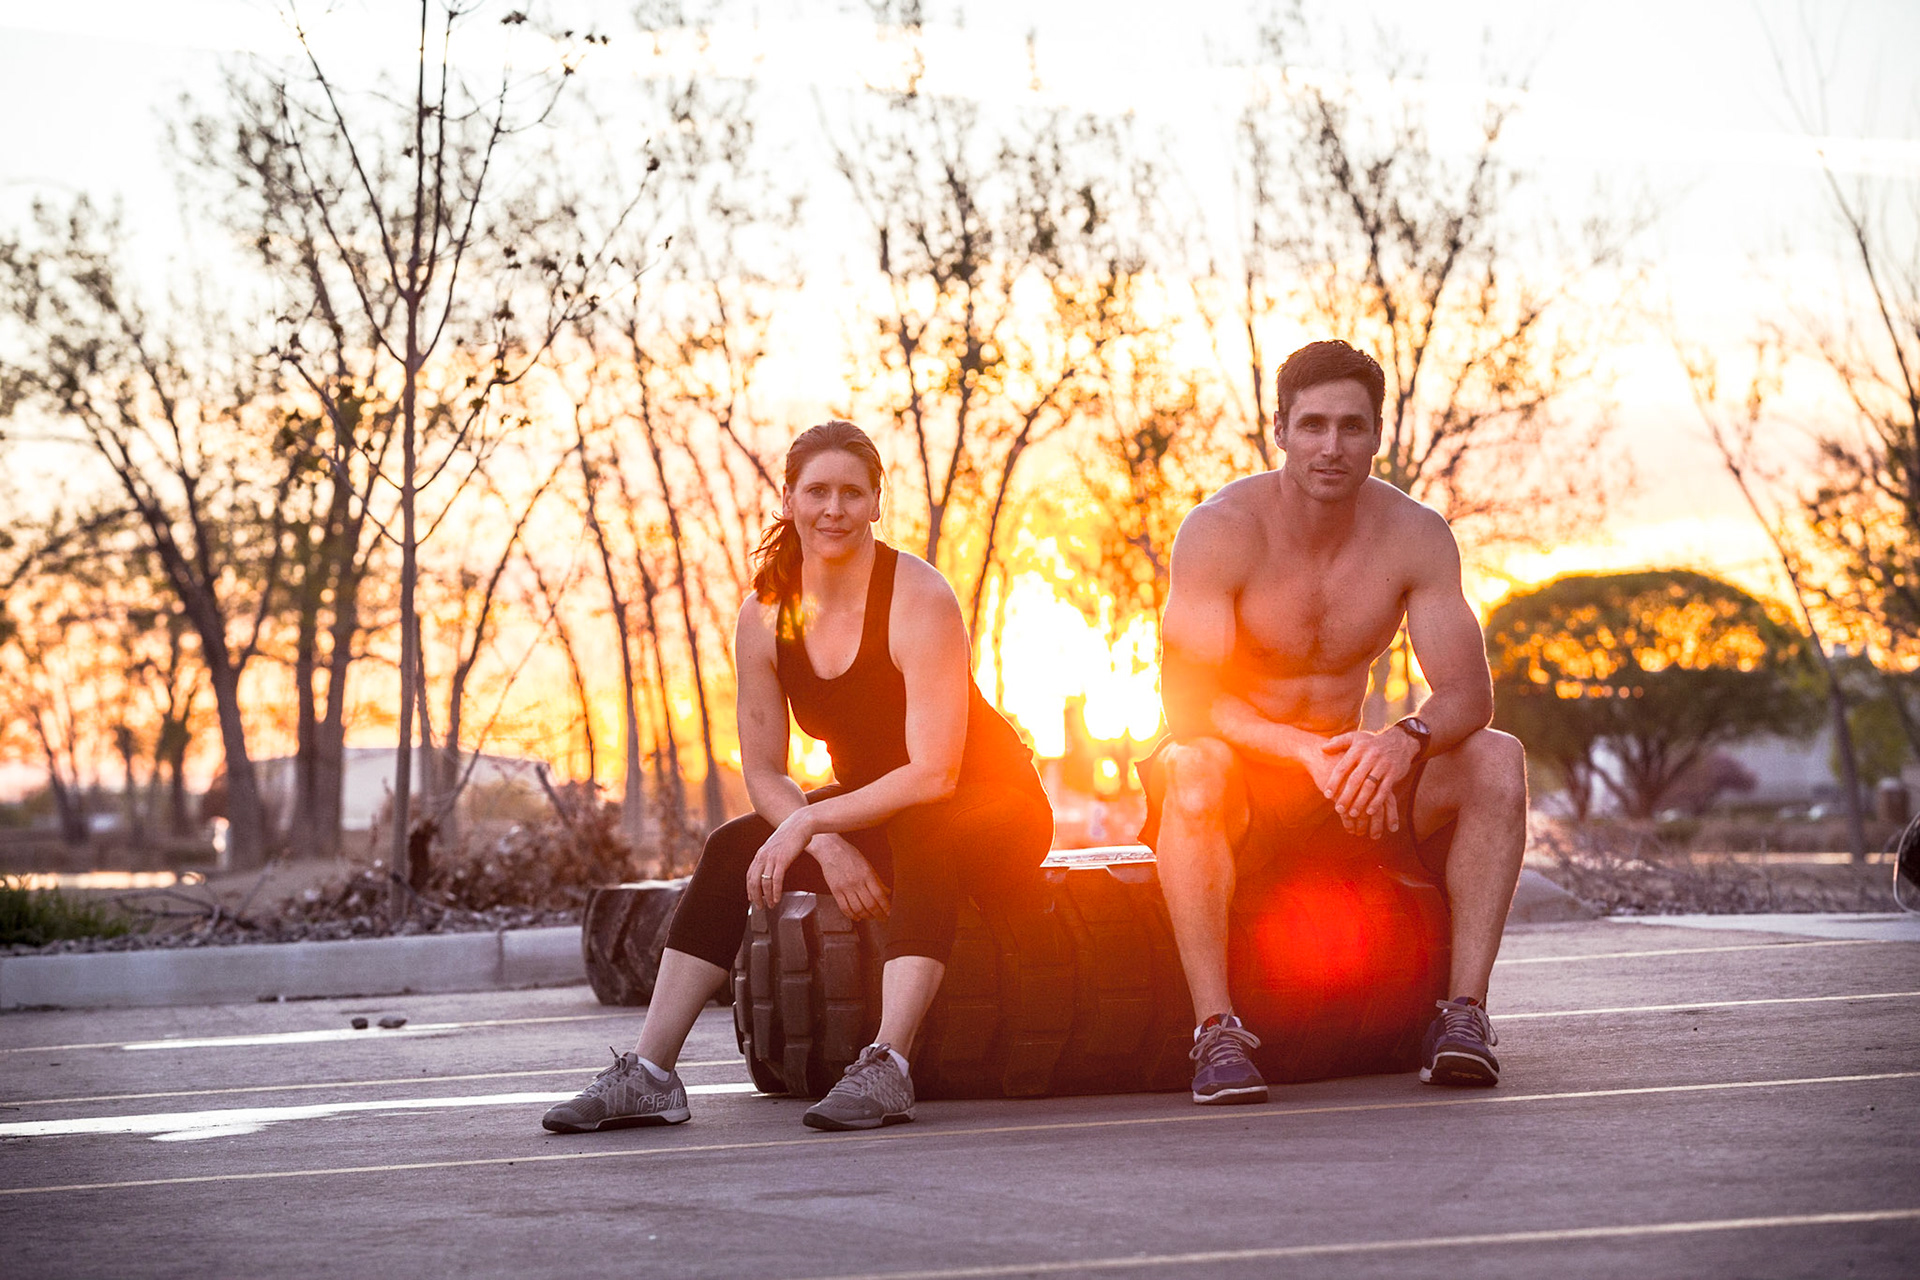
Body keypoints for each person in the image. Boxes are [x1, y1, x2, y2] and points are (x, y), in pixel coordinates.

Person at [542, 420, 1053, 1134]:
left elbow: (936, 774)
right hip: (877, 809)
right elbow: (764, 772)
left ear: (878, 502)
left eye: (852, 493)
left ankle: (888, 1065)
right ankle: (651, 1075)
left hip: (990, 804)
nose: (833, 509)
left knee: (923, 829)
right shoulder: (765, 616)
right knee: (730, 848)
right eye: (817, 492)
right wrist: (819, 839)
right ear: (787, 499)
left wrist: (814, 820)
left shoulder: (919, 597)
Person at [1141, 339, 1529, 1105]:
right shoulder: (1220, 531)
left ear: (1378, 434)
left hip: (1349, 788)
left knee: (1496, 758)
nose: (1331, 447)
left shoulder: (1414, 535)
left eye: (1352, 427)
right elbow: (1188, 705)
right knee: (1189, 766)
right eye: (1312, 424)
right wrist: (1306, 752)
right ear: (1279, 428)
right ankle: (1215, 1031)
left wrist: (1399, 741)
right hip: (1245, 781)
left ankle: (1463, 1015)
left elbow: (1467, 695)